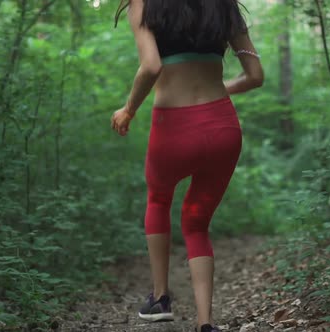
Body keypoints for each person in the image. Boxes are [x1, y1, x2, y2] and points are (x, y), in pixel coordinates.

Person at [111, 1, 263, 331]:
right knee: (196, 224)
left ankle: (160, 298)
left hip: (173, 128)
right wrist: (217, 92)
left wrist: (128, 110)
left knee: (159, 199)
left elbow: (151, 67)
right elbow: (255, 76)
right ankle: (205, 322)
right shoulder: (224, 5)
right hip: (223, 128)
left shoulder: (144, 3)